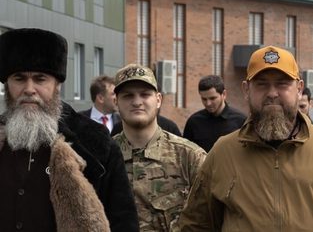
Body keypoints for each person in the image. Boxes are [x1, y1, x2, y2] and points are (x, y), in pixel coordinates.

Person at [178, 45, 313, 231]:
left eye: (282, 83)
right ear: (246, 90)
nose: (272, 93)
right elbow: (195, 226)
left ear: (299, 88)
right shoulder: (223, 153)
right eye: (261, 84)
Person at [0, 28, 138, 232]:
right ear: (7, 84)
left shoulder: (94, 143)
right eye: (19, 79)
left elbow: (123, 222)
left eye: (40, 79)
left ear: (57, 85)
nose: (29, 89)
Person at [112, 63, 206, 231]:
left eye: (145, 94)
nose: (137, 102)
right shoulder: (103, 157)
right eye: (128, 96)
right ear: (116, 102)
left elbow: (210, 219)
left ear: (158, 100)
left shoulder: (189, 157)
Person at [183, 74, 247, 152]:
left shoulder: (241, 120)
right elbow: (185, 152)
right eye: (204, 99)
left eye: (212, 98)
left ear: (224, 94)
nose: (208, 103)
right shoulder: (193, 122)